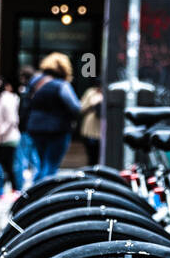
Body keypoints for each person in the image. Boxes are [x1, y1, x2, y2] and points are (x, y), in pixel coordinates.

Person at [24, 53, 80, 183]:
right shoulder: (61, 85)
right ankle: (43, 196)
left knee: (41, 164)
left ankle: (34, 194)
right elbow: (75, 107)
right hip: (57, 129)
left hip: (35, 128)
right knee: (51, 165)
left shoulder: (35, 82)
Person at [14, 66, 40, 185]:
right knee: (35, 158)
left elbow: (23, 112)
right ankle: (37, 183)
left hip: (25, 128)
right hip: (35, 128)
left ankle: (20, 185)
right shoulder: (37, 90)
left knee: (22, 158)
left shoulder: (27, 92)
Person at [78, 85, 103, 166]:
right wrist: (93, 103)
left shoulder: (109, 92)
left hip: (103, 130)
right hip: (91, 130)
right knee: (92, 156)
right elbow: (81, 108)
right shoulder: (91, 92)